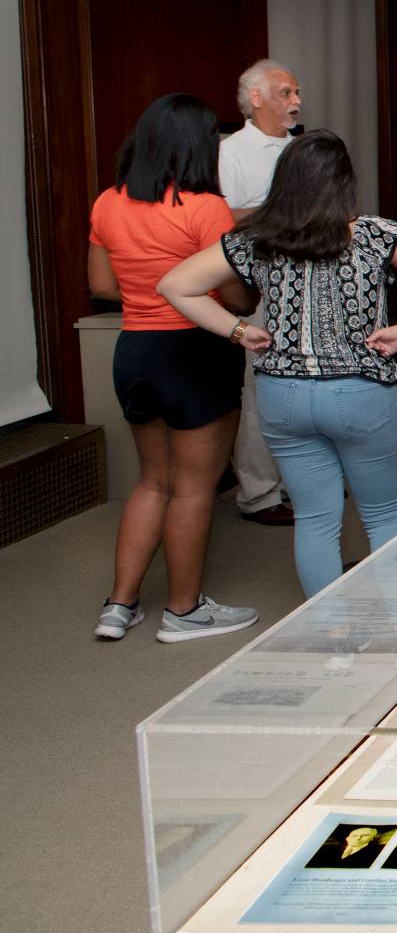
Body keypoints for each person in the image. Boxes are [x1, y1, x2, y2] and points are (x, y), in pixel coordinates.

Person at [160, 132, 397, 596]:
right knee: (385, 515)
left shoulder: (258, 239)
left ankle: (328, 639)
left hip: (283, 395)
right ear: (343, 182)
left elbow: (175, 285)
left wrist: (237, 330)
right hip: (358, 391)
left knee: (315, 517)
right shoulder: (375, 233)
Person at [87, 93, 258, 642]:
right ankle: (184, 613)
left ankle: (119, 605)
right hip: (194, 351)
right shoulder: (206, 208)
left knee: (153, 481)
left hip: (135, 351)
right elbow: (233, 299)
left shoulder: (107, 202)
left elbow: (102, 287)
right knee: (192, 488)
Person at [219, 59, 301, 527]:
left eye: (295, 94)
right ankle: (257, 492)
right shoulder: (232, 151)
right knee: (261, 389)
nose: (296, 102)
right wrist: (280, 208)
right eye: (287, 93)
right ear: (256, 98)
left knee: (301, 386)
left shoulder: (300, 149)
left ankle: (295, 481)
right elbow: (224, 219)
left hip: (308, 279)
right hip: (261, 284)